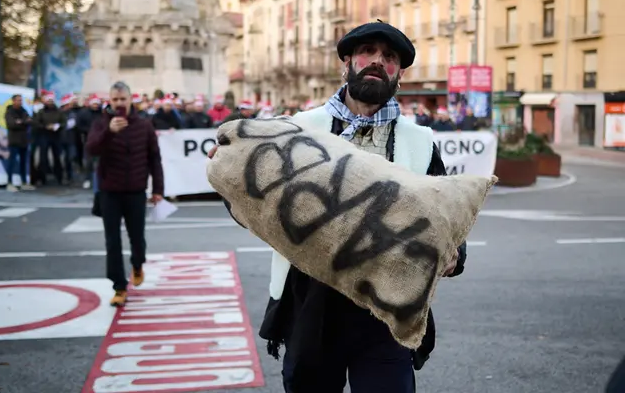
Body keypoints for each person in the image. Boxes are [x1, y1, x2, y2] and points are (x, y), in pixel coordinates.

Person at [211, 20, 467, 393]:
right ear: (345, 64)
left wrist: (454, 254)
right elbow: (252, 199)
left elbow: (449, 218)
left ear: (399, 74)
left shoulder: (420, 141)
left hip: (386, 310)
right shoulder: (299, 127)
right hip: (311, 303)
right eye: (367, 52)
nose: (378, 61)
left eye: (390, 57)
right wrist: (231, 174)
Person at [86, 81, 165, 307]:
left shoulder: (144, 125)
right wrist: (109, 132)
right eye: (115, 100)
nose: (119, 104)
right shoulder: (101, 124)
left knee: (137, 238)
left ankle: (137, 263)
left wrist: (158, 189)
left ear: (131, 100)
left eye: (123, 99)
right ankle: (119, 287)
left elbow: (154, 159)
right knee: (112, 241)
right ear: (110, 101)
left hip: (136, 191)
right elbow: (91, 149)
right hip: (109, 191)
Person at [4, 94, 34, 191]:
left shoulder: (24, 111)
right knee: (12, 162)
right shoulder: (9, 112)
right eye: (18, 100)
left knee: (23, 162)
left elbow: (29, 121)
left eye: (21, 100)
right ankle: (9, 182)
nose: (20, 102)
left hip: (23, 140)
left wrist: (20, 122)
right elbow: (12, 124)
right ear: (13, 101)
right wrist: (23, 122)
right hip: (14, 141)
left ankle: (24, 182)